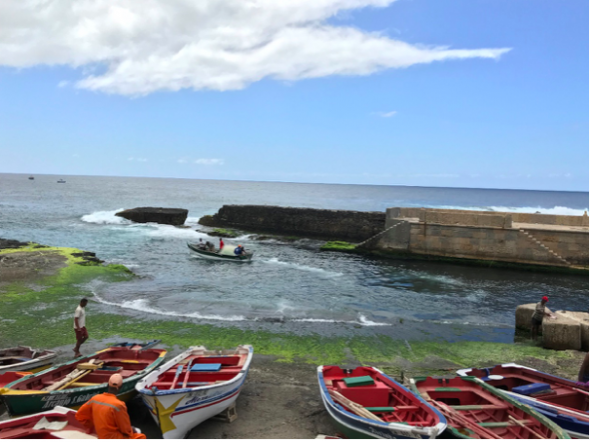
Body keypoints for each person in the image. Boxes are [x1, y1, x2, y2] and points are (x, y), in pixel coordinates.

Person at [76, 373, 146, 439]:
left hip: (100, 434)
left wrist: (92, 425)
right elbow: (125, 430)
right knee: (141, 436)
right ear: (120, 387)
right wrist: (132, 429)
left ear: (107, 385)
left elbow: (79, 416)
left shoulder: (95, 398)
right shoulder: (118, 405)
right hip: (113, 437)